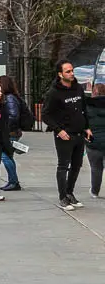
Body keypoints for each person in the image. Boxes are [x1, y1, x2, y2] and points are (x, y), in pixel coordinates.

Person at [43, 59, 93, 211]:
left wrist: (87, 127)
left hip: (79, 133)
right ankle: (62, 197)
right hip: (65, 135)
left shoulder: (77, 88)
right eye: (68, 71)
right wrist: (58, 130)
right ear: (60, 74)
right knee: (63, 165)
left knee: (77, 165)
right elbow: (46, 115)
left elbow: (83, 108)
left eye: (72, 70)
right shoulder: (54, 93)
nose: (71, 73)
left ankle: (70, 193)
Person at [0, 74, 23, 191]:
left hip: (10, 133)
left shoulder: (9, 98)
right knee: (8, 156)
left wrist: (5, 128)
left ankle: (14, 181)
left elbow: (13, 115)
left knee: (5, 156)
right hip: (12, 132)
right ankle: (13, 181)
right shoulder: (10, 97)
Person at [86, 83, 105, 200]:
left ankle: (94, 191)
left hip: (93, 141)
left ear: (93, 93)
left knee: (96, 167)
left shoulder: (87, 106)